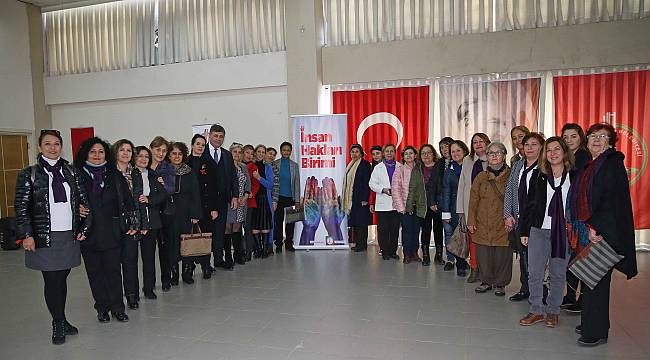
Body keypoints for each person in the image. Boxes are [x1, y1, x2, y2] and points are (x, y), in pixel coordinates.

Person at [14, 129, 91, 345]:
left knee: (62, 276)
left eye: (56, 144)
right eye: (47, 144)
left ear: (61, 146)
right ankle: (57, 322)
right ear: (39, 147)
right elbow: (21, 207)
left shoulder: (71, 172)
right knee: (52, 278)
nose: (52, 148)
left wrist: (82, 216)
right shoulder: (29, 174)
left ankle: (62, 318)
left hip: (68, 233)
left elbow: (82, 200)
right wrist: (27, 235)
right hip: (44, 235)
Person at [569, 123, 637, 346]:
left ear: (610, 141)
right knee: (589, 277)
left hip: (603, 230)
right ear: (587, 140)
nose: (596, 140)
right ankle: (593, 322)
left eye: (603, 136)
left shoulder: (612, 163)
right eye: (593, 136)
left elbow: (610, 201)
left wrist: (596, 227)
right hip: (592, 227)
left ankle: (595, 331)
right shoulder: (593, 163)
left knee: (595, 280)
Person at [75, 137, 133, 324]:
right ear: (86, 154)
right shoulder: (76, 176)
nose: (97, 155)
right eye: (93, 152)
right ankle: (102, 307)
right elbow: (68, 202)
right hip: (88, 233)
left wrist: (132, 223)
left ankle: (118, 308)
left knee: (113, 272)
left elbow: (128, 202)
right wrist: (76, 209)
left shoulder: (113, 174)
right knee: (95, 274)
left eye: (100, 152)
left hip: (112, 233)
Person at [519, 137, 574, 328]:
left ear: (564, 152)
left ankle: (553, 311)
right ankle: (536, 309)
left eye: (557, 149)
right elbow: (530, 205)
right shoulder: (539, 175)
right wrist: (524, 230)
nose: (553, 153)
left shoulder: (574, 176)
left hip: (562, 232)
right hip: (538, 229)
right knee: (534, 272)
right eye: (549, 150)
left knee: (558, 273)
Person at [503, 132, 544, 302]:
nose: (529, 148)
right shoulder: (518, 165)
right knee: (523, 257)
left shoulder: (545, 167)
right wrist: (507, 214)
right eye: (527, 145)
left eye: (534, 144)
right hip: (519, 219)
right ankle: (525, 288)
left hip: (537, 221)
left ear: (541, 147)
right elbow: (510, 191)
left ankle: (540, 291)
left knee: (538, 259)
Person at [467, 142, 512, 297]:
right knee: (484, 254)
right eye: (490, 153)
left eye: (497, 152)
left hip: (503, 222)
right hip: (482, 222)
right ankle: (486, 281)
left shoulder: (511, 175)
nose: (493, 156)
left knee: (502, 255)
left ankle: (500, 283)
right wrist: (471, 221)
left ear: (504, 155)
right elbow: (473, 200)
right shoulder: (481, 177)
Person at [560, 123, 590, 313]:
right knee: (570, 257)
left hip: (580, 216)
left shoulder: (584, 158)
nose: (570, 140)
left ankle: (583, 300)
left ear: (581, 137)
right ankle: (570, 295)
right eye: (566, 137)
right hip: (566, 213)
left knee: (582, 257)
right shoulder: (563, 157)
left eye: (573, 136)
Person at [200, 125, 239, 270]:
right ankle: (205, 263)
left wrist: (234, 196)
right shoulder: (202, 152)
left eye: (221, 136)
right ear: (210, 136)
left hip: (223, 200)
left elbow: (233, 178)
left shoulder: (227, 155)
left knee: (220, 231)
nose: (218, 139)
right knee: (207, 231)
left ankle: (218, 259)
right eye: (215, 136)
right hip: (206, 201)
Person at [112, 139, 144, 310]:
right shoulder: (109, 173)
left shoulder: (136, 173)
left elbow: (139, 201)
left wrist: (138, 224)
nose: (125, 153)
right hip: (115, 224)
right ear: (116, 152)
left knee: (130, 262)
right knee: (114, 264)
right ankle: (116, 299)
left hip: (132, 224)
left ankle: (132, 296)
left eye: (129, 150)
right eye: (122, 150)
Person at [165, 142, 203, 284]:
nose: (177, 156)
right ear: (169, 155)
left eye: (179, 153)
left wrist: (195, 215)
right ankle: (173, 274)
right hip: (169, 212)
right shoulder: (164, 170)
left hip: (186, 211)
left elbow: (195, 194)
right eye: (174, 153)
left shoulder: (189, 171)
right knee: (171, 243)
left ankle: (187, 273)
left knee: (187, 242)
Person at [133, 146, 167, 300]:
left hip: (151, 222)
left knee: (148, 257)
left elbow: (163, 195)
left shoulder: (153, 175)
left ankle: (148, 287)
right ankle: (131, 293)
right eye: (140, 156)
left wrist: (149, 200)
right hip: (133, 222)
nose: (143, 159)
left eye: (146, 156)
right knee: (131, 260)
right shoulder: (129, 175)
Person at [457, 133, 491, 283]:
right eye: (475, 142)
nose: (478, 144)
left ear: (487, 143)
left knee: (487, 240)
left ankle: (487, 271)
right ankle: (474, 268)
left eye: (481, 141)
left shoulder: (494, 158)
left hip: (489, 207)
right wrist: (461, 210)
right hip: (470, 205)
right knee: (472, 240)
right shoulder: (468, 160)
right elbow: (462, 185)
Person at [439, 140, 470, 276]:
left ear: (464, 151)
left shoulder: (471, 166)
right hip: (453, 208)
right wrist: (445, 212)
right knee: (458, 236)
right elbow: (445, 192)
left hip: (469, 206)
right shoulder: (449, 170)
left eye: (458, 150)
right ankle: (460, 264)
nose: (455, 153)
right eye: (453, 151)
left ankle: (471, 263)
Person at [392, 146, 426, 263]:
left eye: (411, 153)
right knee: (407, 230)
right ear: (403, 157)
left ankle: (414, 253)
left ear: (415, 155)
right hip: (406, 206)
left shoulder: (420, 169)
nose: (408, 156)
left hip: (419, 206)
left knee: (416, 230)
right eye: (406, 154)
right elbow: (395, 190)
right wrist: (402, 207)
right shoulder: (399, 170)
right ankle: (406, 254)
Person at [369, 144, 402, 260]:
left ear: (394, 153)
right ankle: (385, 252)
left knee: (394, 229)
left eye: (391, 151)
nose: (389, 153)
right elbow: (372, 184)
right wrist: (383, 190)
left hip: (397, 204)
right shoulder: (378, 167)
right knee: (383, 230)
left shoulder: (400, 166)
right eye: (387, 151)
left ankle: (393, 252)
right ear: (383, 153)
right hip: (382, 204)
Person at [149, 136, 173, 291]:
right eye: (158, 150)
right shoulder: (142, 165)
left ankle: (166, 279)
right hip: (148, 212)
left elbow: (171, 189)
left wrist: (164, 186)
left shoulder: (168, 168)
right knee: (149, 251)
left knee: (164, 248)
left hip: (164, 212)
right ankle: (149, 285)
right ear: (151, 148)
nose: (161, 153)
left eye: (164, 151)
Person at [342, 144, 372, 252]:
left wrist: (365, 198)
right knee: (356, 221)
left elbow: (367, 182)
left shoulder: (365, 164)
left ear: (361, 153)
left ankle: (362, 245)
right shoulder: (350, 165)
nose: (354, 154)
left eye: (357, 152)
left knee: (362, 223)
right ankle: (358, 243)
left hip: (361, 199)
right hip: (352, 199)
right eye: (352, 152)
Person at [271, 142, 300, 253]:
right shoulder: (275, 164)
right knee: (278, 222)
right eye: (284, 150)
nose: (286, 152)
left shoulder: (295, 165)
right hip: (278, 198)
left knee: (290, 223)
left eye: (288, 150)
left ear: (290, 152)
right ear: (281, 151)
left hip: (291, 198)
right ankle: (278, 244)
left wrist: (297, 200)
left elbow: (297, 183)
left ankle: (289, 243)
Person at [418, 144, 444, 266]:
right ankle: (425, 255)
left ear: (433, 154)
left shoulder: (440, 166)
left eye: (429, 152)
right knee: (426, 230)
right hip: (423, 204)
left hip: (437, 204)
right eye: (423, 153)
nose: (426, 155)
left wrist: (435, 201)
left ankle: (439, 256)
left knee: (439, 229)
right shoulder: (418, 168)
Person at [227, 143, 251, 264]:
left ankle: (237, 255)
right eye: (235, 151)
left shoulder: (243, 167)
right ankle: (227, 256)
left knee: (237, 228)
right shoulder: (226, 166)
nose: (237, 154)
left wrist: (245, 196)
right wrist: (233, 197)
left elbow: (248, 183)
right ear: (230, 153)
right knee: (227, 228)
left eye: (239, 152)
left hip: (241, 203)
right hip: (229, 202)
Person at [247, 145, 274, 257]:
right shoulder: (249, 166)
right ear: (255, 153)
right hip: (253, 200)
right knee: (255, 226)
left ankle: (265, 249)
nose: (261, 154)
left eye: (263, 152)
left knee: (265, 225)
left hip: (264, 199)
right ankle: (257, 249)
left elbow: (270, 185)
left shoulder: (267, 167)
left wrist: (259, 178)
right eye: (259, 151)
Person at [242, 144, 256, 260]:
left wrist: (252, 193)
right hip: (239, 201)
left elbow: (256, 184)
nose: (249, 155)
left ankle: (248, 251)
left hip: (249, 201)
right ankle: (241, 249)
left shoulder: (253, 166)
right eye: (247, 152)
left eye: (252, 153)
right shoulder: (237, 165)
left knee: (247, 226)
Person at [368, 145, 383, 252]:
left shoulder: (393, 166)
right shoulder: (372, 167)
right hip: (377, 200)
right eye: (373, 154)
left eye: (378, 153)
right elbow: (371, 188)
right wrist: (371, 203)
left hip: (391, 199)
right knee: (380, 226)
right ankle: (382, 247)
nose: (375, 156)